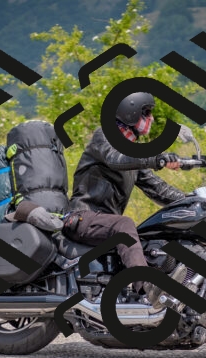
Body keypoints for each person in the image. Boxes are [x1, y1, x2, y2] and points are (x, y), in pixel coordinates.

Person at [63, 92, 185, 299]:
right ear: (131, 113)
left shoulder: (132, 155)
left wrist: (194, 200)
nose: (151, 119)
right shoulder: (104, 137)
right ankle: (146, 287)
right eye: (147, 113)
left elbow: (158, 189)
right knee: (124, 225)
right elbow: (116, 159)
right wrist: (157, 158)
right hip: (83, 217)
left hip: (105, 223)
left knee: (159, 234)